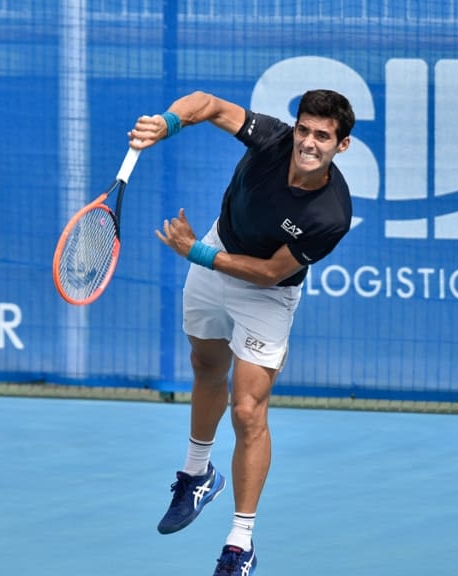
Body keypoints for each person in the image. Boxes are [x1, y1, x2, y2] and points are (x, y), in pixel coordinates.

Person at [128, 89, 355, 576]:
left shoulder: (330, 215)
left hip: (264, 293)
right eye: (305, 129)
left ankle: (240, 542)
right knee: (205, 365)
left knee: (248, 409)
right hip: (216, 252)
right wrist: (167, 123)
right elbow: (208, 105)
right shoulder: (272, 140)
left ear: (342, 146)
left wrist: (196, 254)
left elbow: (271, 273)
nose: (308, 142)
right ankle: (197, 473)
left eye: (323, 136)